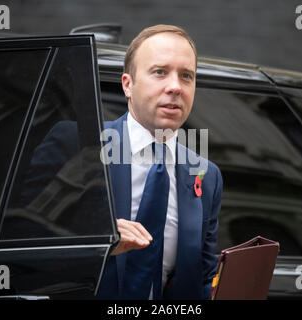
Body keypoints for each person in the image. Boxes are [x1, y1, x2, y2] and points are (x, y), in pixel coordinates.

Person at [97, 24, 223, 300]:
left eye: (186, 76)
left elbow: (202, 275)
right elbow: (26, 239)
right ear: (127, 85)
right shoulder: (82, 145)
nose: (175, 86)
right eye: (160, 72)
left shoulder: (206, 175)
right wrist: (96, 238)